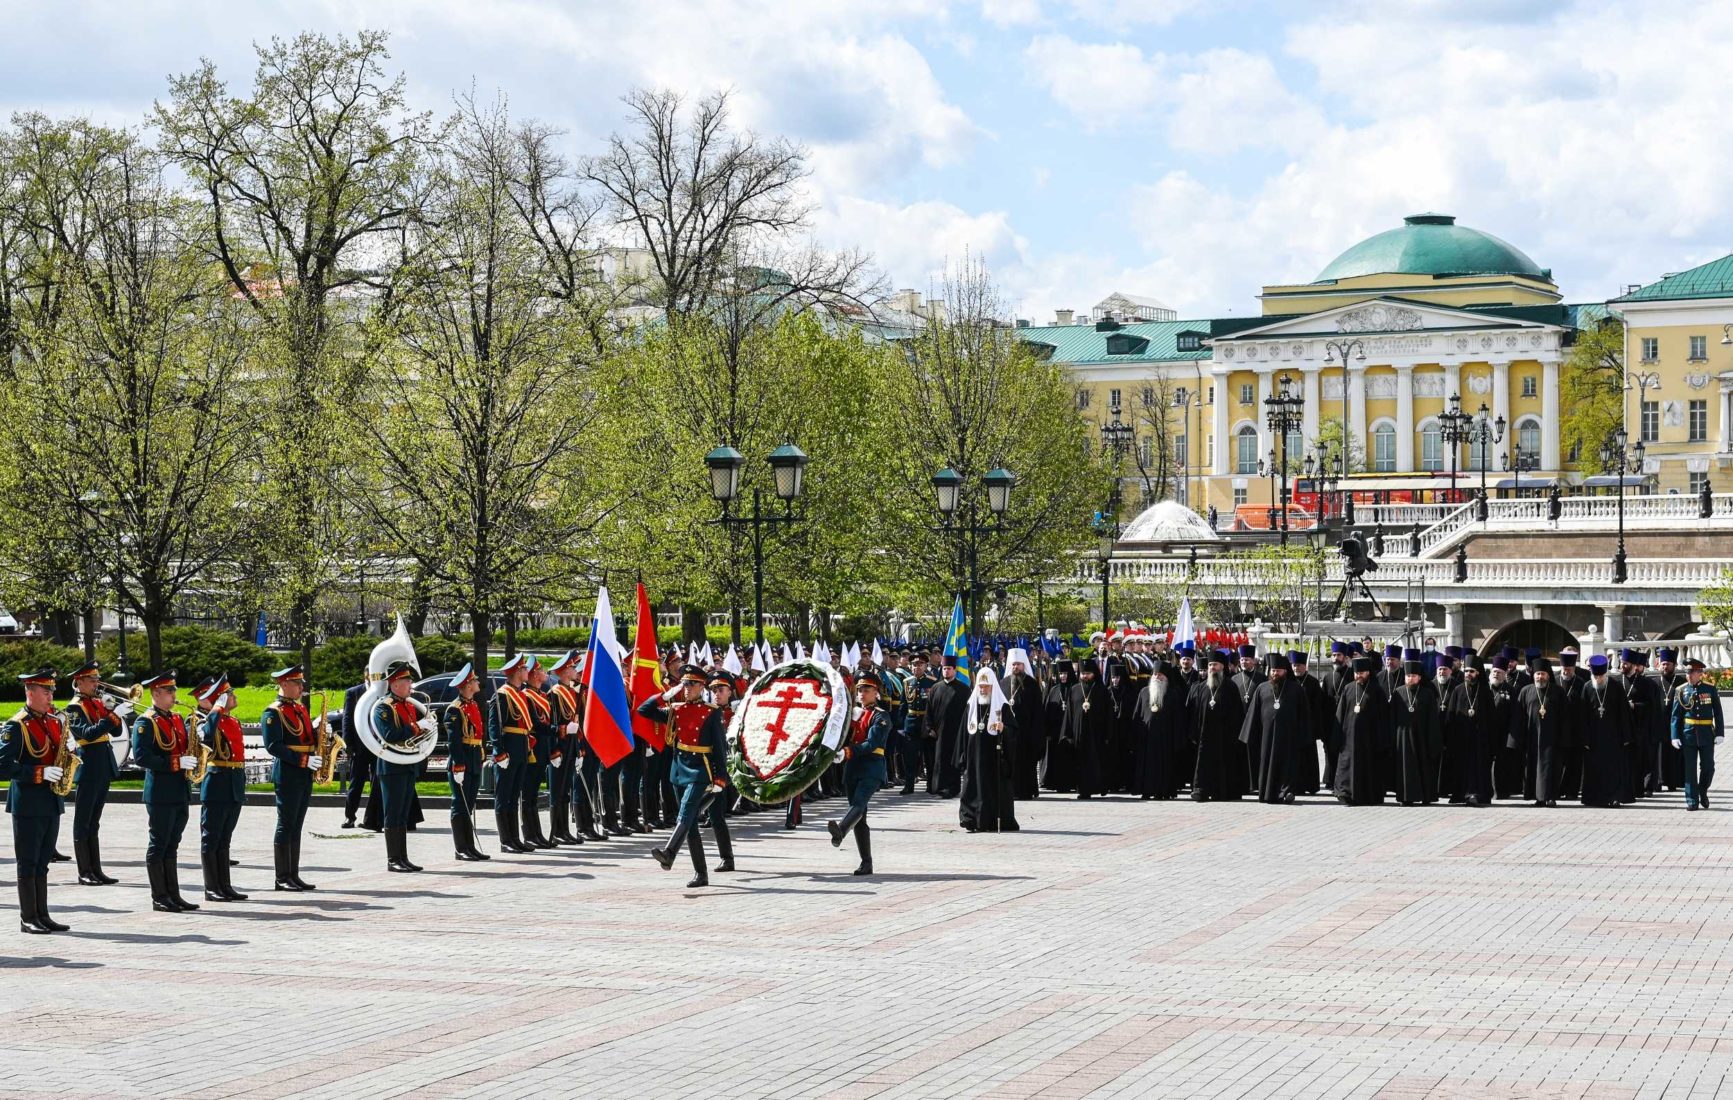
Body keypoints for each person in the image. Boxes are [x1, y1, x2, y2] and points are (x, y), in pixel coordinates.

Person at [638, 665, 728, 887]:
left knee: (686, 812)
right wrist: (664, 695)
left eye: (692, 684)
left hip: (701, 769)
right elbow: (643, 710)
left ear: (701, 686)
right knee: (690, 824)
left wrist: (720, 777)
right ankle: (701, 873)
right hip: (679, 768)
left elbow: (719, 747)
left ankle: (669, 852)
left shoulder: (711, 711)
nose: (687, 689)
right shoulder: (675, 709)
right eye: (685, 684)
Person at [1, 669, 71, 933]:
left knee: (43, 862)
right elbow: (2, 765)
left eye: (52, 690)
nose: (51, 695)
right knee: (28, 861)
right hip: (28, 803)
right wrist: (38, 773)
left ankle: (43, 914)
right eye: (46, 691)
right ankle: (27, 917)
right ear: (30, 693)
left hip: (51, 801)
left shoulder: (54, 721)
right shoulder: (17, 725)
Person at [131, 670, 199, 912]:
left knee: (173, 844)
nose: (174, 695)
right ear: (156, 693)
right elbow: (141, 757)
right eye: (169, 691)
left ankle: (174, 894)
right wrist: (175, 763)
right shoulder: (145, 722)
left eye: (174, 690)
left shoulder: (177, 718)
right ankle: (159, 896)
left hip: (179, 789)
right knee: (159, 843)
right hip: (160, 791)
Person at [261, 665, 321, 890]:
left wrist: (320, 734)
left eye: (301, 683)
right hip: (288, 772)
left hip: (304, 771)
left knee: (297, 824)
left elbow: (306, 737)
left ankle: (293, 874)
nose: (301, 688)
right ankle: (282, 877)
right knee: (286, 823)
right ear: (284, 684)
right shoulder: (273, 712)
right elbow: (273, 746)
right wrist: (303, 760)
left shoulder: (300, 709)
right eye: (297, 683)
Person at [64, 661, 124, 886]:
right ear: (79, 682)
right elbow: (87, 734)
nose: (96, 683)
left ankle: (96, 869)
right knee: (83, 821)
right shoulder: (74, 707)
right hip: (88, 766)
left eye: (97, 679)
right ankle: (84, 871)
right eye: (91, 680)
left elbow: (116, 731)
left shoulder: (97, 702)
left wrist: (111, 711)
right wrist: (110, 716)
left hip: (102, 765)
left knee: (94, 821)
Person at [829, 670, 893, 875]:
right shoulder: (853, 714)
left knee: (859, 803)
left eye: (867, 689)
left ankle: (840, 831)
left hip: (872, 767)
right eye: (859, 690)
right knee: (861, 817)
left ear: (877, 693)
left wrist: (848, 751)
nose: (862, 693)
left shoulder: (881, 716)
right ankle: (866, 863)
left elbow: (872, 743)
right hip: (853, 769)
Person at [195, 675, 248, 901]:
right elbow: (206, 736)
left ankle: (224, 885)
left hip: (234, 780)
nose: (233, 697)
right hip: (216, 782)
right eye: (229, 694)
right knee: (211, 837)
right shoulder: (204, 720)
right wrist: (215, 710)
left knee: (225, 837)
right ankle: (211, 887)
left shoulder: (232, 721)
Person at [371, 661, 429, 872]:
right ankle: (393, 859)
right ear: (394, 684)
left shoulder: (408, 705)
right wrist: (416, 727)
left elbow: (412, 733)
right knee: (393, 813)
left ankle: (402, 857)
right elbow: (389, 735)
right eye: (406, 681)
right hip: (392, 766)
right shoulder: (384, 707)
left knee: (403, 814)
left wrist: (425, 729)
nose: (410, 685)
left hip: (408, 764)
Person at [1239, 652, 1308, 804]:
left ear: (1285, 671)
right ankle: (1267, 794)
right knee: (1267, 765)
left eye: (1278, 670)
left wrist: (1303, 735)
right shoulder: (1262, 688)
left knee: (1287, 765)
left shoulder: (1296, 689)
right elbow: (1254, 714)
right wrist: (1250, 735)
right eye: (1272, 671)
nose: (1275, 673)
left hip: (1289, 737)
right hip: (1267, 737)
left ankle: (1286, 792)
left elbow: (1303, 715)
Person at [959, 668, 1019, 832]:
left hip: (994, 757)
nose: (983, 689)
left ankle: (991, 821)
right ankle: (971, 820)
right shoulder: (971, 706)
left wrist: (1004, 728)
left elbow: (1013, 731)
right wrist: (961, 756)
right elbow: (963, 733)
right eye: (980, 686)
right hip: (974, 757)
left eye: (986, 686)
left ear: (993, 686)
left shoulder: (1002, 707)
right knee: (972, 786)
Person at [488, 655, 536, 853]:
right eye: (525, 669)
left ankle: (515, 838)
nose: (527, 672)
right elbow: (494, 726)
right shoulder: (501, 695)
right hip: (508, 750)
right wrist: (499, 752)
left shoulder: (521, 695)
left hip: (521, 748)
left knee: (514, 795)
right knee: (504, 796)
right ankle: (505, 840)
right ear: (517, 672)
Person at [443, 663, 490, 861]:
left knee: (469, 804)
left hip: (474, 758)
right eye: (474, 680)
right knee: (460, 805)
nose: (478, 683)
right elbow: (454, 741)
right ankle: (460, 848)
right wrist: (459, 765)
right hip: (462, 761)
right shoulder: (455, 710)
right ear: (468, 685)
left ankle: (469, 847)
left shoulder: (472, 705)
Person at [1186, 650, 1247, 801]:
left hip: (1224, 734)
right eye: (1210, 665)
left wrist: (1235, 734)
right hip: (1204, 734)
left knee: (1224, 762)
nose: (1212, 668)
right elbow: (1194, 711)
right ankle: (1201, 790)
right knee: (1203, 763)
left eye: (1216, 665)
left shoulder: (1231, 687)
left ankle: (1223, 791)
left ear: (1223, 667)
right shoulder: (1200, 687)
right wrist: (1193, 731)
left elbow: (1237, 713)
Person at [1510, 658, 1568, 806]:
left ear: (1548, 675)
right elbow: (1519, 717)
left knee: (1551, 768)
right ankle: (1538, 798)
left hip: (1552, 738)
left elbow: (1565, 716)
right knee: (1532, 768)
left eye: (1542, 674)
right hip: (1531, 738)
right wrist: (1516, 740)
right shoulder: (1526, 691)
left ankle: (1550, 797)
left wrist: (1564, 738)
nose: (1539, 677)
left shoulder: (1558, 692)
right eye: (1537, 674)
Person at [1333, 656, 1388, 805]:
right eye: (1357, 673)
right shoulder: (1348, 688)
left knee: (1367, 768)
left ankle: (1367, 796)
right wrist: (1337, 736)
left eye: (1362, 673)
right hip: (1349, 737)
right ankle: (1346, 793)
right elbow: (1340, 714)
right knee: (1347, 766)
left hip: (1369, 739)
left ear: (1368, 673)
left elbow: (1383, 717)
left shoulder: (1377, 691)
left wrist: (1381, 739)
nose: (1359, 676)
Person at [542, 651, 584, 846]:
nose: (576, 670)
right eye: (573, 667)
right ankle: (557, 830)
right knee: (557, 791)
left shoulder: (573, 692)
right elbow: (553, 723)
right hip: (560, 748)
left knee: (565, 790)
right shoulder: (555, 694)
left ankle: (565, 829)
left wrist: (578, 750)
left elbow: (576, 722)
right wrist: (554, 751)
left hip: (571, 746)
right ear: (565, 671)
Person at [1670, 657, 1722, 811]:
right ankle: (1692, 800)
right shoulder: (1681, 690)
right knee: (1690, 769)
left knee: (1708, 767)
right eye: (1687, 671)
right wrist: (1674, 735)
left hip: (1706, 734)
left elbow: (1718, 713)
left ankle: (1702, 791)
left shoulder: (1710, 689)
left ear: (1700, 673)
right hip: (1688, 734)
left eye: (1692, 671)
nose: (1689, 674)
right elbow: (1675, 716)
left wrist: (1720, 733)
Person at [1577, 655, 1630, 808]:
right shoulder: (1587, 687)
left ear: (1605, 674)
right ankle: (1593, 798)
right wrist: (1584, 739)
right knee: (1593, 769)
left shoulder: (1616, 686)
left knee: (1612, 769)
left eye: (1601, 676)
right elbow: (1582, 716)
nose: (1598, 679)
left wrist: (1625, 736)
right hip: (1593, 738)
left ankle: (1614, 797)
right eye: (1596, 676)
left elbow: (1624, 712)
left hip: (1613, 736)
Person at [1443, 655, 1495, 807]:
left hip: (1480, 739)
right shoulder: (1458, 690)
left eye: (1471, 671)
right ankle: (1462, 794)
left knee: (1479, 766)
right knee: (1462, 766)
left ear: (1478, 672)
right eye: (1466, 671)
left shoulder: (1485, 692)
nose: (1468, 674)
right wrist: (1450, 737)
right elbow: (1450, 716)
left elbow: (1492, 718)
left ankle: (1479, 794)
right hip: (1462, 737)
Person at [1389, 660, 1441, 805]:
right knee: (1405, 769)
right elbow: (1392, 717)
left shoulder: (1427, 694)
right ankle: (1406, 797)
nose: (1409, 678)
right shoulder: (1398, 693)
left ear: (1419, 677)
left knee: (1423, 766)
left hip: (1422, 737)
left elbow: (1433, 718)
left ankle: (1426, 796)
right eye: (1407, 676)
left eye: (1413, 676)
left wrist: (1433, 738)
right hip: (1403, 737)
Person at [517, 658, 556, 849]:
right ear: (534, 675)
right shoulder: (527, 696)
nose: (545, 673)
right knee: (528, 793)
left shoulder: (541, 695)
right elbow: (536, 723)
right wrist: (559, 730)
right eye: (541, 670)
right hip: (533, 748)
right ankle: (529, 834)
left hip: (543, 749)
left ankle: (537, 833)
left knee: (534, 794)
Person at [1132, 662, 1182, 799]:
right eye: (1154, 674)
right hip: (1146, 737)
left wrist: (1176, 739)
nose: (1156, 677)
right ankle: (1146, 790)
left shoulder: (1172, 694)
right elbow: (1137, 715)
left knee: (1163, 766)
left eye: (1160, 675)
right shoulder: (1143, 692)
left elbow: (1177, 719)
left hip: (1165, 738)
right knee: (1146, 765)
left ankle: (1162, 791)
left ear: (1166, 677)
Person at [924, 656, 969, 798]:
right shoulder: (936, 688)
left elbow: (968, 712)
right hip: (938, 733)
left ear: (954, 670)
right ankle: (937, 787)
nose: (946, 671)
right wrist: (929, 727)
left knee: (952, 760)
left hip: (956, 732)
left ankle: (952, 788)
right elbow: (928, 710)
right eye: (944, 669)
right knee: (938, 760)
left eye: (949, 669)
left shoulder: (963, 689)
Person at [1069, 658, 1113, 799]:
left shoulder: (1102, 690)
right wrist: (1067, 734)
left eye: (1087, 673)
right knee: (1080, 762)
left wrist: (1108, 733)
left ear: (1094, 673)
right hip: (1078, 734)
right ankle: (1083, 790)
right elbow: (1068, 714)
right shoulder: (1074, 690)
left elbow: (1109, 715)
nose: (1084, 676)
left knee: (1096, 762)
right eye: (1082, 673)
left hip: (1097, 734)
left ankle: (1099, 787)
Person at [1005, 649, 1045, 801]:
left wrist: (1036, 734)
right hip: (1008, 733)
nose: (1016, 667)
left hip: (1026, 733)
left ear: (1024, 665)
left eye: (1019, 664)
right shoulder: (1003, 683)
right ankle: (1009, 791)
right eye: (1014, 664)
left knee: (1025, 764)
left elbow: (1037, 712)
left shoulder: (1032, 684)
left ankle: (1025, 791)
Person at [1649, 649, 1687, 792]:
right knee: (1658, 756)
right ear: (1659, 664)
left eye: (1668, 664)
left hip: (1675, 725)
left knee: (1674, 755)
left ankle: (1673, 782)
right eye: (1663, 664)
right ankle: (1658, 782)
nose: (1665, 667)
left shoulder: (1681, 682)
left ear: (1674, 665)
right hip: (1658, 724)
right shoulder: (1654, 683)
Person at [898, 653, 935, 795]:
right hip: (911, 723)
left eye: (920, 664)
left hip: (926, 723)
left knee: (929, 757)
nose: (916, 667)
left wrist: (933, 726)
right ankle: (909, 785)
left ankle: (931, 785)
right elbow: (903, 705)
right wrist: (901, 726)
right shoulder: (907, 682)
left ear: (925, 666)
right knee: (910, 757)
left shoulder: (932, 682)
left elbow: (934, 707)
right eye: (914, 664)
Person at [1041, 660, 1077, 793]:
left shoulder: (1075, 688)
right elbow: (1047, 711)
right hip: (1055, 731)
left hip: (1069, 731)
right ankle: (1054, 782)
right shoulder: (1054, 690)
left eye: (1065, 673)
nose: (1063, 676)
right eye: (1060, 673)